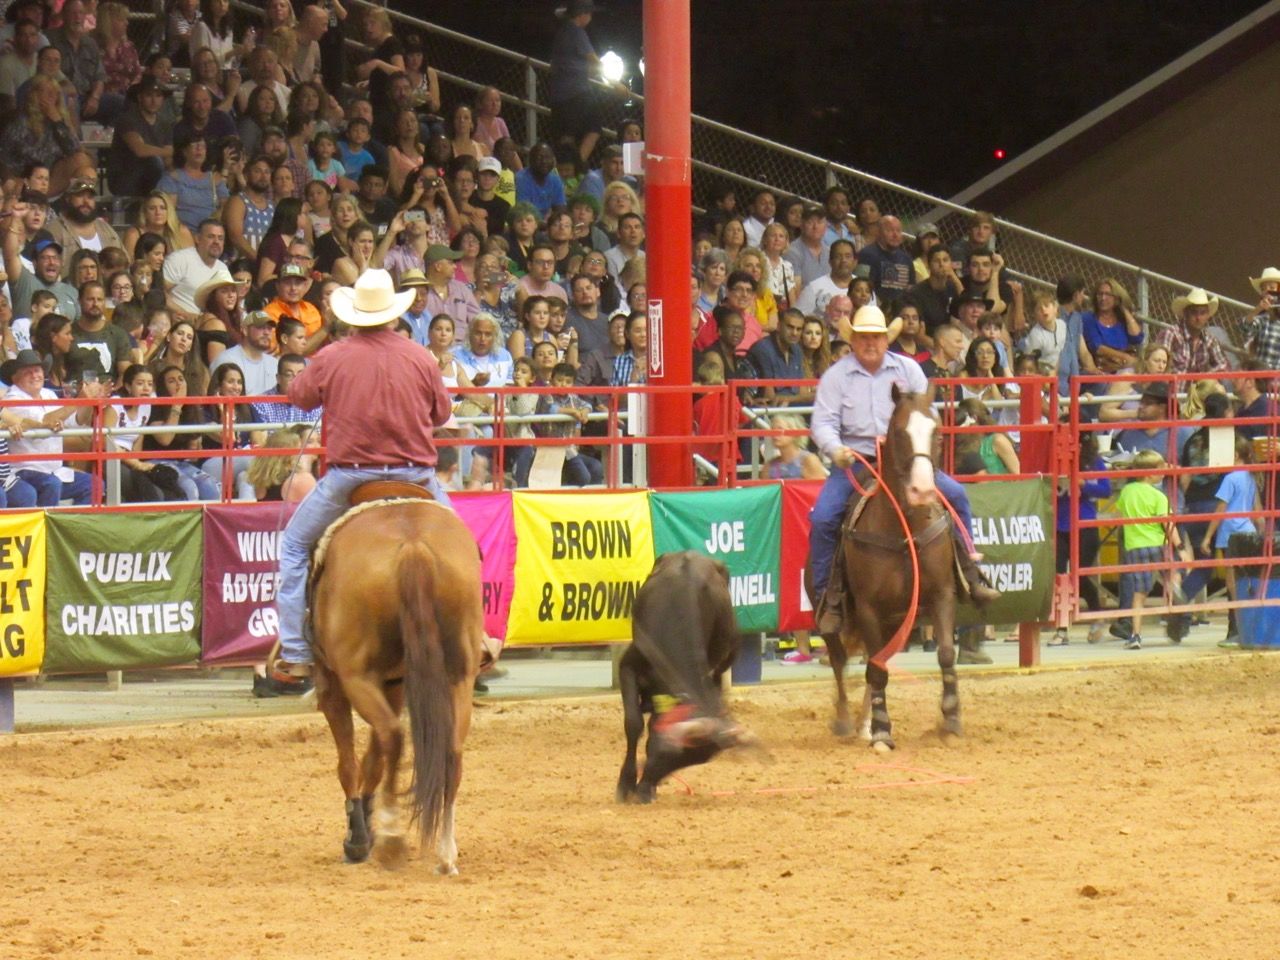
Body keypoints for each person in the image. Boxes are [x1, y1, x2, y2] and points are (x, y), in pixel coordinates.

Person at [271, 268, 453, 687]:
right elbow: (442, 414)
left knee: (296, 546)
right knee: (466, 549)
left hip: (350, 478)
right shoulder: (420, 356)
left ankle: (297, 652)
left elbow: (297, 396)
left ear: (353, 314)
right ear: (393, 313)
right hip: (418, 478)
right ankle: (475, 636)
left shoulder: (332, 355)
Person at [807, 305, 999, 635]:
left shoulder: (908, 370)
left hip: (906, 461)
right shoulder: (836, 376)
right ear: (854, 340)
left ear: (886, 339)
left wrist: (917, 446)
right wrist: (835, 449)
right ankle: (830, 597)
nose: (871, 343)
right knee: (824, 517)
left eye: (877, 337)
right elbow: (822, 422)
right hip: (857, 461)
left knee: (957, 495)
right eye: (864, 337)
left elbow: (927, 413)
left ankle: (970, 571)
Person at [1113, 449, 1192, 650]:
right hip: (1159, 544)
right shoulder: (1159, 496)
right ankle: (1173, 598)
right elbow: (1168, 525)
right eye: (1161, 468)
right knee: (1171, 575)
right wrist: (1181, 547)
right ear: (1150, 473)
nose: (1165, 470)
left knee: (1139, 594)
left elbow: (1119, 513)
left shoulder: (1126, 492)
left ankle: (1136, 635)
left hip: (1135, 547)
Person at [5, 348, 97, 505]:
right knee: (51, 484)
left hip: (54, 470)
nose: (35, 375)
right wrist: (78, 400)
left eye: (37, 370)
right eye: (28, 372)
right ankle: (47, 529)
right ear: (16, 377)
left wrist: (89, 400)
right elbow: (43, 422)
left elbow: (74, 422)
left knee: (94, 484)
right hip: (24, 470)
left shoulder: (49, 394)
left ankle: (74, 529)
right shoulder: (12, 398)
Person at [1049, 432, 1111, 646]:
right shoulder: (1052, 460)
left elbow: (1106, 490)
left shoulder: (1094, 462)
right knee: (1058, 576)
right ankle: (1062, 628)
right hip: (1059, 525)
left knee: (1080, 576)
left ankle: (1095, 617)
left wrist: (1083, 484)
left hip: (1084, 524)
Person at [548, 0, 623, 163]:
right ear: (582, 14)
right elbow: (593, 59)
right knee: (594, 127)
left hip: (558, 94)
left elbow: (569, 64)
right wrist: (616, 84)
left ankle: (563, 169)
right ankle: (577, 165)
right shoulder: (577, 32)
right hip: (575, 92)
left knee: (566, 135)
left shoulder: (562, 32)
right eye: (589, 13)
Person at [46, 177, 122, 270]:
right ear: (68, 198)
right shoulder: (54, 230)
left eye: (90, 197)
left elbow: (124, 263)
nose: (86, 202)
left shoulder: (106, 229)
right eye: (80, 195)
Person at [1152, 287, 1229, 375]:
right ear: (1185, 313)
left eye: (1202, 313)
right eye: (1194, 312)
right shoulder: (1171, 334)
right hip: (1171, 387)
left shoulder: (1209, 340)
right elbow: (1158, 365)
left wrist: (1206, 377)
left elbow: (1223, 364)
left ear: (1208, 316)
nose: (1198, 318)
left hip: (1196, 387)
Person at [209, 309, 279, 395]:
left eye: (269, 328)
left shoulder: (274, 364)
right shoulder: (227, 360)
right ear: (245, 330)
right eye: (260, 327)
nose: (266, 333)